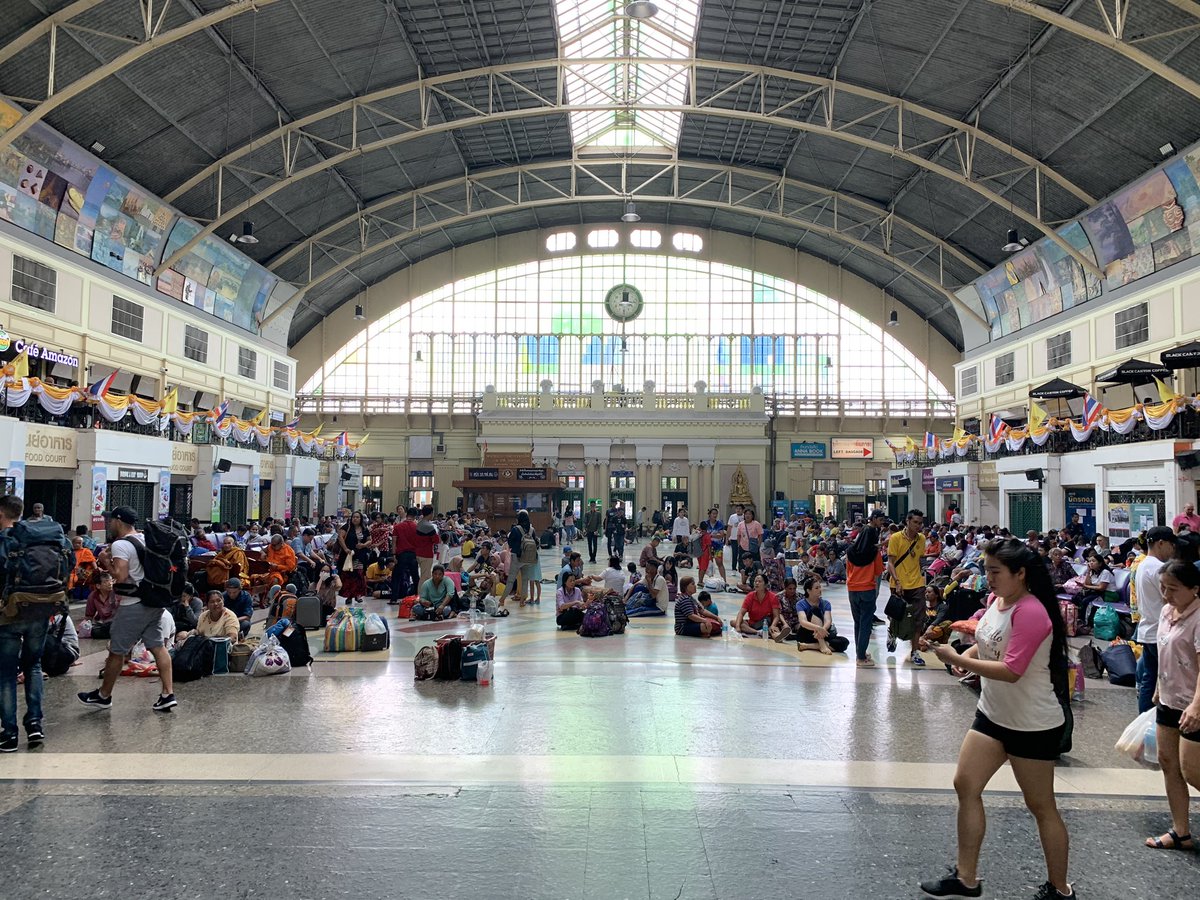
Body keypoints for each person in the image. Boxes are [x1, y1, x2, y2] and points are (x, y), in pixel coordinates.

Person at [919, 538, 1073, 900]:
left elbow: (1011, 669)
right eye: (986, 570)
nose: (987, 578)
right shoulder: (999, 602)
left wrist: (956, 660)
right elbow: (987, 643)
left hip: (1032, 724)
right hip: (993, 715)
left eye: (995, 572)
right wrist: (958, 652)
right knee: (965, 785)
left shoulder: (1032, 611)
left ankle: (1060, 889)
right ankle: (966, 877)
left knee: (1041, 807)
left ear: (1020, 574)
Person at [77, 506, 177, 713]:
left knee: (116, 651)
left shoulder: (121, 544)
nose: (108, 523)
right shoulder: (142, 538)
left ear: (118, 521)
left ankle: (104, 696)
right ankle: (168, 694)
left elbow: (120, 577)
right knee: (158, 646)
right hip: (154, 601)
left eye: (110, 520)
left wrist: (105, 561)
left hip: (134, 605)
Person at [1145, 560, 1200, 852]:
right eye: (1163, 588)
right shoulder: (1168, 611)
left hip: (1194, 704)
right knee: (1169, 764)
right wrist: (1157, 686)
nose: (1166, 595)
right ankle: (1181, 832)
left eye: (1174, 589)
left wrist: (1196, 706)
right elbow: (1164, 650)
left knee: (1193, 771)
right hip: (1169, 699)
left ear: (1195, 589)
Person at [0, 495, 53, 752]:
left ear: (2, 514)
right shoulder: (46, 537)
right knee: (33, 666)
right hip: (40, 612)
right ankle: (35, 725)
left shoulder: (4, 541)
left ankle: (9, 734)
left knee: (7, 673)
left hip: (8, 615)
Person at [1135, 527, 1177, 714]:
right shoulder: (1158, 568)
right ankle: (1157, 719)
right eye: (1171, 545)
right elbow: (1168, 599)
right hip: (1160, 631)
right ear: (1161, 543)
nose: (1173, 550)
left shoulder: (1143, 564)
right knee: (1161, 679)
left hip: (1148, 629)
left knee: (1149, 678)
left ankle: (1144, 719)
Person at [886, 509, 928, 668]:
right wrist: (897, 581)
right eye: (915, 522)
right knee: (896, 617)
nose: (918, 525)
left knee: (918, 619)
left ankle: (914, 652)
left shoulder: (922, 539)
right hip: (898, 584)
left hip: (917, 584)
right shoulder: (895, 538)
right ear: (907, 522)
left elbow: (918, 559)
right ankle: (892, 634)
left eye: (920, 523)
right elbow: (890, 562)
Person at [847, 510, 886, 667]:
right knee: (865, 623)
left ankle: (860, 653)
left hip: (852, 589)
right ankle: (861, 658)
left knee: (857, 623)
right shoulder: (874, 553)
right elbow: (878, 571)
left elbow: (848, 571)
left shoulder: (850, 551)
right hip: (867, 590)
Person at [794, 576, 844, 654]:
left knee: (844, 642)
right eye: (816, 588)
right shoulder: (800, 604)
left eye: (820, 587)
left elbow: (828, 620)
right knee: (815, 609)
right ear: (808, 590)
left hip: (822, 633)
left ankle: (807, 646)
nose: (820, 590)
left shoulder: (825, 603)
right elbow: (803, 622)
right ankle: (822, 645)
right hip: (808, 633)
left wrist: (822, 630)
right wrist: (818, 628)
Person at [501, 510, 537, 608]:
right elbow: (536, 543)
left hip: (517, 557)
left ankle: (502, 599)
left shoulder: (516, 529)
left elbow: (510, 543)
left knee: (511, 580)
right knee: (525, 580)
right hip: (528, 558)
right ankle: (522, 601)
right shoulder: (532, 530)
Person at [176, 590, 241, 644]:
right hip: (206, 649)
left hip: (224, 650)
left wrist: (215, 642)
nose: (216, 604)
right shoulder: (203, 616)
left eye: (219, 601)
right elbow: (199, 632)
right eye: (212, 602)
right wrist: (187, 634)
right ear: (207, 605)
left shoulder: (229, 616)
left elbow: (233, 638)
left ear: (223, 602)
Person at [392, 506, 420, 601]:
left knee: (396, 576)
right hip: (413, 555)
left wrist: (394, 555)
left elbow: (394, 542)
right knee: (415, 576)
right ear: (415, 516)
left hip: (401, 555)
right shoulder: (417, 527)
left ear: (407, 514)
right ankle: (417, 596)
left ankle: (394, 598)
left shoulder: (397, 526)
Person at [414, 505, 441, 585]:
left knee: (427, 576)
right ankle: (421, 595)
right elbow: (436, 540)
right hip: (426, 554)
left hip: (418, 552)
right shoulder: (429, 526)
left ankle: (428, 594)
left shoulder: (419, 523)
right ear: (431, 513)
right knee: (424, 577)